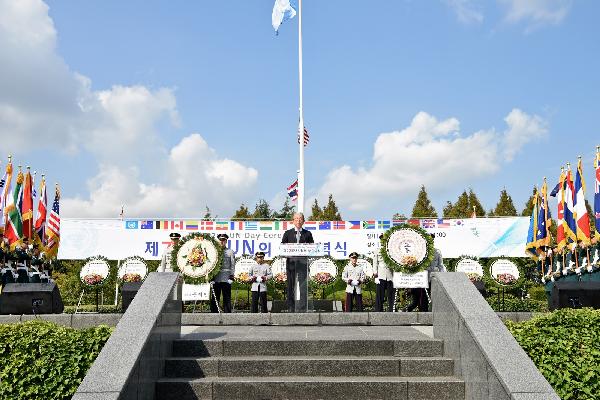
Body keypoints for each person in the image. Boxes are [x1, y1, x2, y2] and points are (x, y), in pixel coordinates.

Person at [280, 212, 314, 312]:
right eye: (296, 219)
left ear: (303, 221)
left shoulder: (307, 234)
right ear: (293, 221)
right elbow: (283, 247)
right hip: (291, 264)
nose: (298, 220)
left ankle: (303, 307)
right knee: (290, 286)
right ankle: (291, 306)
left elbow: (312, 248)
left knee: (303, 286)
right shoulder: (287, 233)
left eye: (300, 219)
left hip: (303, 264)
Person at [406, 234, 445, 312]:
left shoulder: (437, 251)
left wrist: (442, 277)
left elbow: (441, 266)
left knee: (435, 297)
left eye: (432, 240)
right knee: (423, 298)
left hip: (434, 278)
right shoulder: (420, 252)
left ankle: (436, 313)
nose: (430, 241)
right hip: (423, 278)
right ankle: (424, 314)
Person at [210, 233, 235, 313]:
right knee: (214, 297)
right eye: (220, 240)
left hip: (226, 278)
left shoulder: (230, 252)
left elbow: (232, 265)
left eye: (223, 240)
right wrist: (211, 277)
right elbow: (211, 265)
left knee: (227, 297)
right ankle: (214, 313)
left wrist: (231, 276)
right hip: (216, 277)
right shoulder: (214, 251)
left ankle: (227, 314)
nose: (222, 242)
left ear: (226, 241)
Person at [373, 234, 394, 312]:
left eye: (384, 239)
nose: (383, 241)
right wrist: (375, 275)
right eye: (381, 239)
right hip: (381, 275)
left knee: (391, 295)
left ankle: (392, 310)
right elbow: (375, 263)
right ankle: (378, 311)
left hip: (390, 275)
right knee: (380, 295)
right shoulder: (377, 250)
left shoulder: (391, 250)